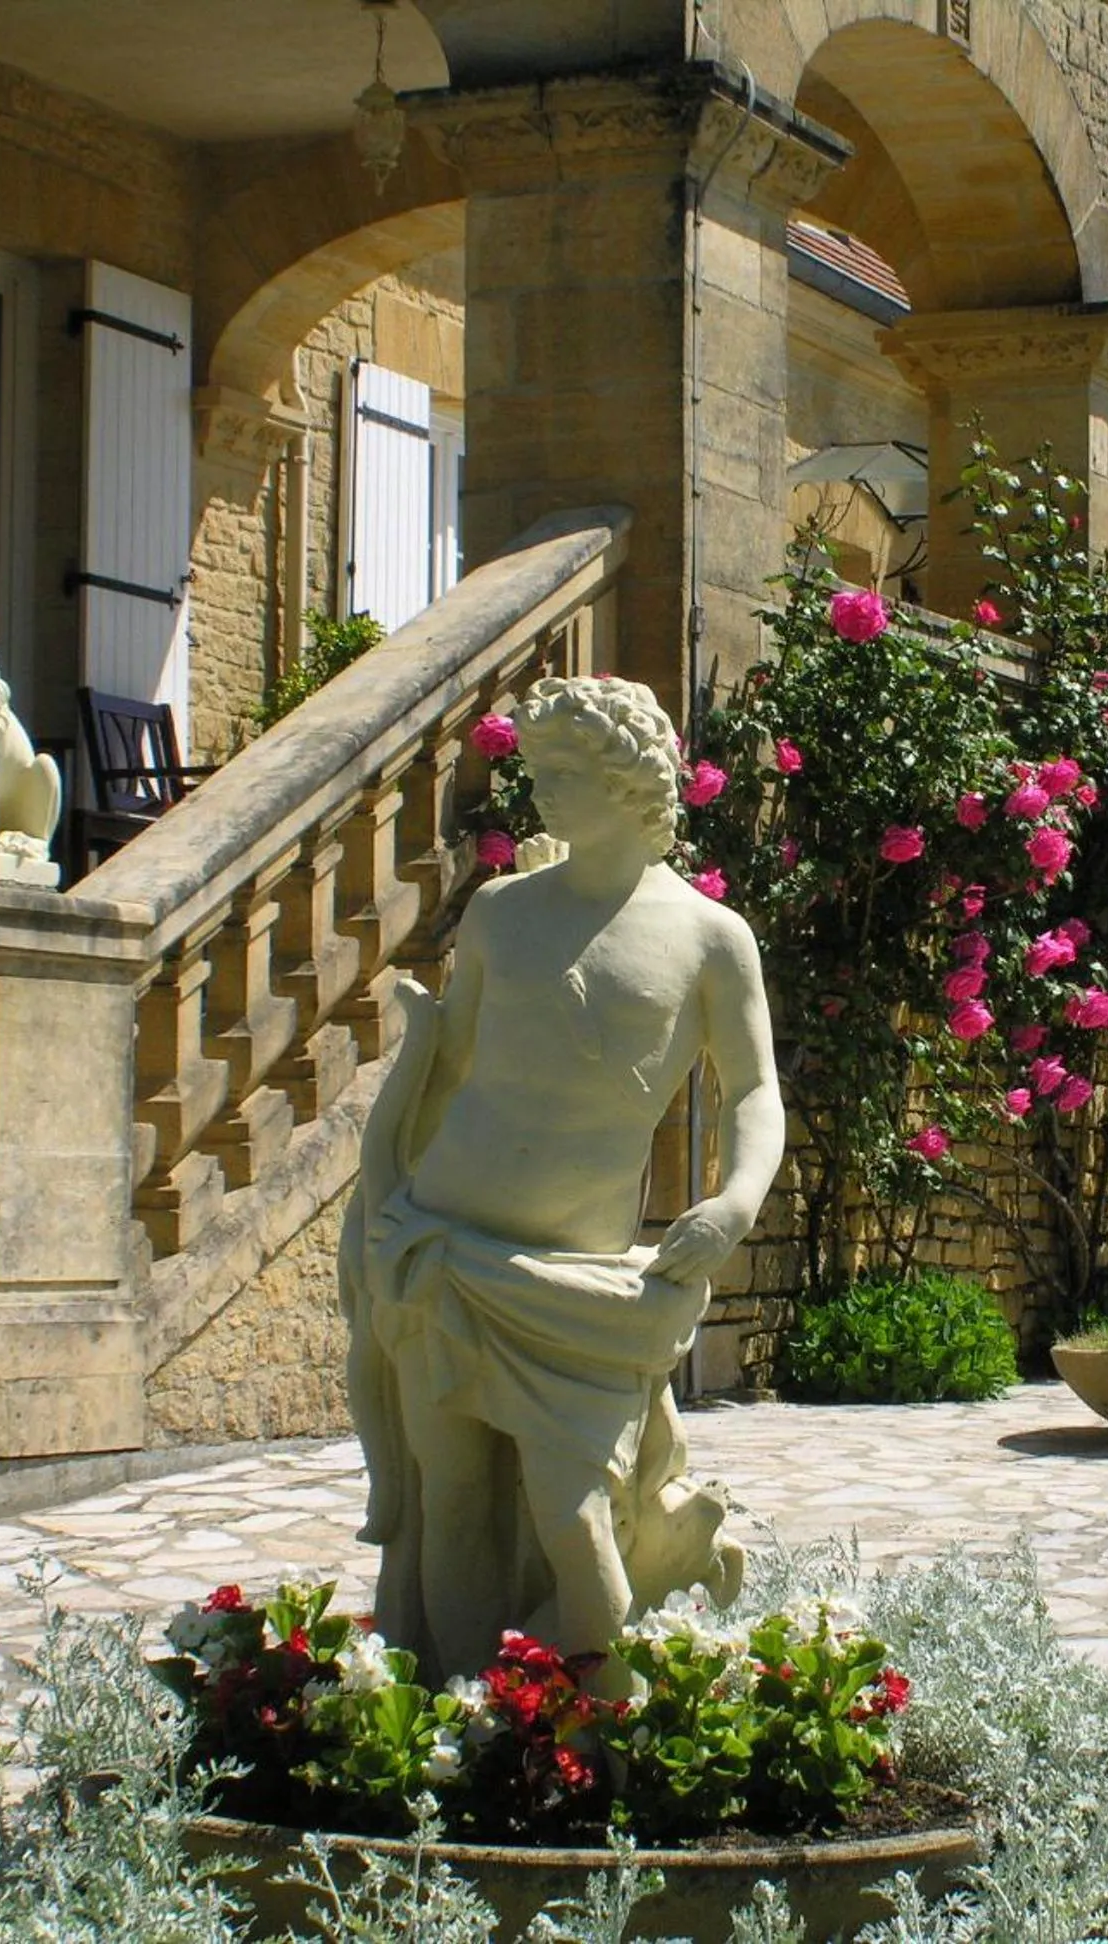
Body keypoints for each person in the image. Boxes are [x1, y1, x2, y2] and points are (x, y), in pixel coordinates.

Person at [340, 675, 783, 1687]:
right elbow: (448, 1071)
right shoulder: (500, 914)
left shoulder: (711, 937)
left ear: (633, 782)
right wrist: (387, 1194)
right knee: (449, 1498)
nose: (542, 795)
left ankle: (599, 1711)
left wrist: (732, 1201)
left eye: (566, 775)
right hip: (442, 1242)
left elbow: (756, 1092)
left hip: (575, 1283)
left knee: (572, 1506)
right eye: (537, 773)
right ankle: (450, 1717)